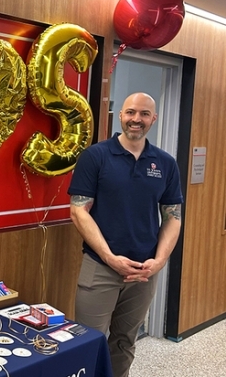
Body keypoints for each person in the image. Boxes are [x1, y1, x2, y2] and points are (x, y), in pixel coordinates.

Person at [68, 92, 183, 377]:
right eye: (131, 112)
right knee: (89, 341)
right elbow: (78, 211)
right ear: (120, 115)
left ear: (153, 119)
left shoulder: (165, 163)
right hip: (100, 267)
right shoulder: (96, 156)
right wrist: (109, 257)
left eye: (144, 114)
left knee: (124, 341)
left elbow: (173, 217)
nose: (137, 119)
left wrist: (159, 261)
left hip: (144, 272)